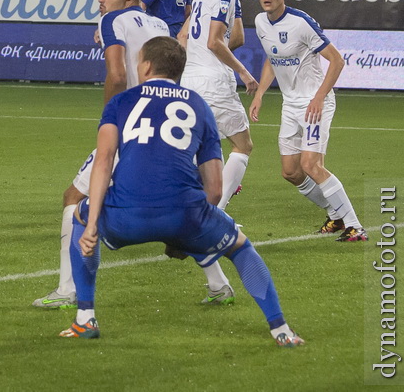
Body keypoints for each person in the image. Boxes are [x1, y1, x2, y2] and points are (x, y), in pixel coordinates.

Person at [60, 36, 305, 348]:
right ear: (179, 71)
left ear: (146, 65)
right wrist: (188, 232)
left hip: (127, 214)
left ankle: (85, 319)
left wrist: (93, 224)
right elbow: (215, 189)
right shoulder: (198, 105)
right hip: (185, 213)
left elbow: (104, 161)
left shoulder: (121, 102)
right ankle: (281, 330)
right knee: (241, 247)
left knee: (78, 217)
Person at [32, 0, 171, 311]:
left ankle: (67, 290)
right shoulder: (161, 26)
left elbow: (117, 73)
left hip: (126, 128)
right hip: (160, 127)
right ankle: (219, 281)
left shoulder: (113, 21)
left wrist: (111, 118)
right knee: (179, 212)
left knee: (72, 199)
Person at [250, 0, 367, 242]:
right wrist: (260, 94)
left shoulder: (300, 23)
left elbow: (337, 61)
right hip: (290, 105)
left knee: (311, 164)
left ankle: (355, 225)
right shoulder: (259, 22)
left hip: (315, 102)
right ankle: (335, 214)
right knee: (290, 171)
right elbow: (272, 58)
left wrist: (319, 97)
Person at [180, 0, 258, 213]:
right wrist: (244, 72)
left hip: (190, 80)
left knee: (206, 148)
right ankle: (215, 214)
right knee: (243, 145)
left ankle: (189, 206)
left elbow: (191, 37)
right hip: (213, 82)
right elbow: (215, 42)